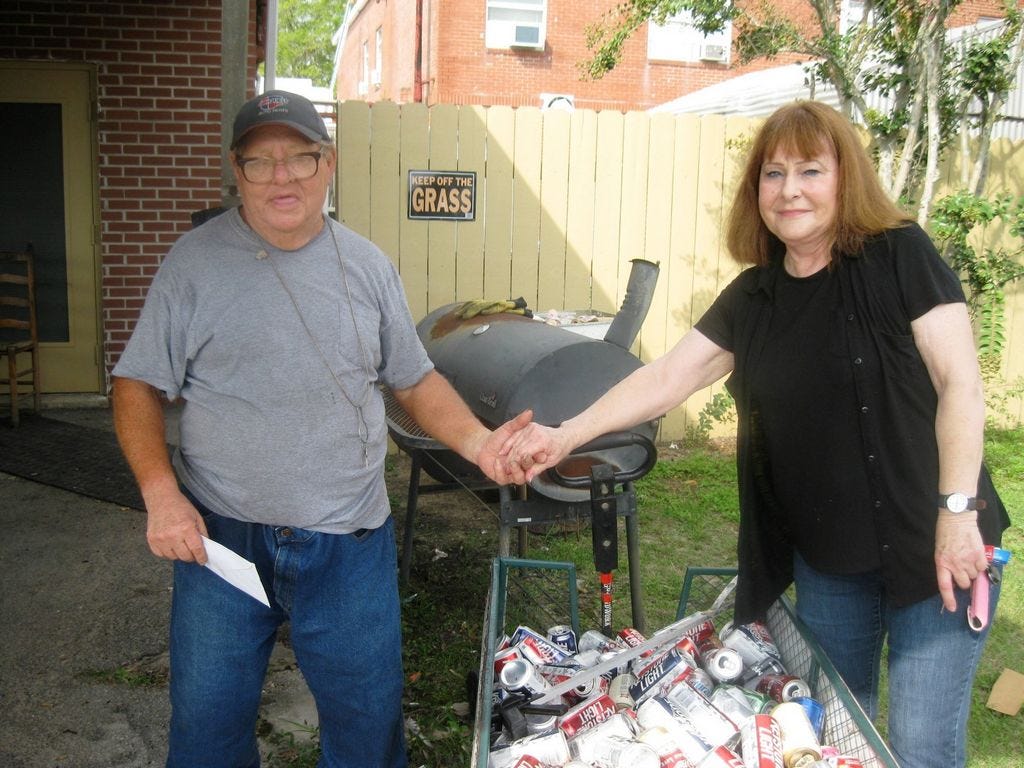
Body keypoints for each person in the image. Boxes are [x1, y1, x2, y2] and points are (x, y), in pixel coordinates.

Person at [501, 101, 1010, 768]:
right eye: (773, 174)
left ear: (844, 178)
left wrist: (957, 512)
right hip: (830, 562)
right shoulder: (755, 297)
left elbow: (961, 385)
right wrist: (567, 434)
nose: (790, 189)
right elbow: (665, 378)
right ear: (757, 192)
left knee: (920, 746)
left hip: (941, 545)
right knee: (831, 736)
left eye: (810, 170)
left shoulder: (899, 257)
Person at [111, 90, 530, 768]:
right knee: (205, 734)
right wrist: (161, 493)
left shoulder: (367, 266)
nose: (283, 177)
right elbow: (135, 383)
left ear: (327, 164)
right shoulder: (192, 264)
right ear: (236, 171)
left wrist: (479, 444)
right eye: (261, 161)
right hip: (221, 540)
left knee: (367, 735)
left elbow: (414, 380)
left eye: (300, 158)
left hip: (348, 543)